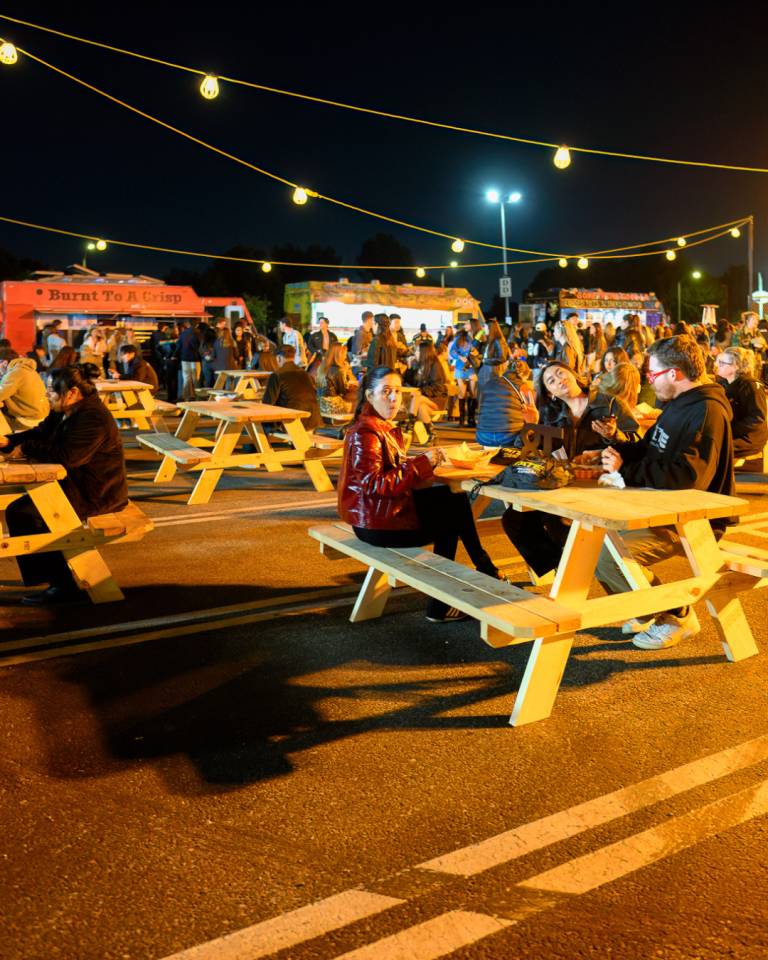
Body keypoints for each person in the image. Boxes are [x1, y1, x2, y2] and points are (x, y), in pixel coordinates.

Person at [596, 335, 736, 649]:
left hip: (693, 518)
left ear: (674, 374)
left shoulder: (707, 410)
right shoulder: (679, 404)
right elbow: (650, 449)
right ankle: (646, 609)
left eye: (652, 375)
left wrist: (624, 472)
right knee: (597, 542)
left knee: (609, 556)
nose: (650, 382)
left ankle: (676, 616)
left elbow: (689, 476)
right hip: (665, 508)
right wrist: (617, 446)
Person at [337, 365, 504, 623]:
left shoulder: (377, 425)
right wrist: (422, 464)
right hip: (375, 523)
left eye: (398, 391)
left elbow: (391, 469)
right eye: (386, 392)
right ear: (369, 396)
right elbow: (374, 485)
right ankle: (446, 600)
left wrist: (423, 462)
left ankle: (484, 569)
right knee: (450, 521)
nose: (394, 397)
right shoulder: (365, 432)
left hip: (377, 515)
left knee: (453, 498)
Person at [0, 364, 128, 606]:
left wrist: (26, 447)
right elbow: (40, 432)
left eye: (51, 390)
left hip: (97, 492)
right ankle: (44, 576)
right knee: (19, 511)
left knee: (28, 515)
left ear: (72, 392)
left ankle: (62, 585)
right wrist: (8, 441)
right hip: (76, 484)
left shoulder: (93, 416)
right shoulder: (65, 409)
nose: (46, 394)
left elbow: (70, 456)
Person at [499, 361, 639, 582]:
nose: (558, 380)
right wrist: (533, 426)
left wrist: (614, 436)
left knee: (558, 519)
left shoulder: (611, 405)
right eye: (551, 381)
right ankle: (564, 567)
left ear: (573, 374)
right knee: (514, 518)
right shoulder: (551, 415)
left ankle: (579, 570)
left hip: (602, 486)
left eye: (560, 373)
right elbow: (526, 454)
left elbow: (638, 444)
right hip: (564, 486)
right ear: (550, 393)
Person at [716, 347, 768, 458]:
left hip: (749, 438)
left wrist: (729, 430)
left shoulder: (752, 386)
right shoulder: (722, 384)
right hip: (729, 432)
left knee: (714, 449)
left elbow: (757, 418)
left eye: (722, 363)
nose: (718, 365)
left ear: (737, 366)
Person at [476, 358, 537, 448]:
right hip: (508, 436)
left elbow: (480, 408)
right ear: (525, 375)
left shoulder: (489, 382)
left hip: (482, 436)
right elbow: (536, 409)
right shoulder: (524, 387)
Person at [262, 345, 323, 431]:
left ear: (278, 358)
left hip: (290, 423)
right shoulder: (305, 374)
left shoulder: (276, 375)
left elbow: (267, 404)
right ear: (294, 357)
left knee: (258, 426)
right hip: (312, 422)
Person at [404, 341, 448, 445]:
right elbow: (412, 383)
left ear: (425, 352)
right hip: (427, 398)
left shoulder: (435, 365)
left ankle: (409, 427)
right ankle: (432, 434)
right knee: (421, 407)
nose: (416, 353)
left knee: (417, 398)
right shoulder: (421, 365)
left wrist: (421, 391)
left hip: (438, 398)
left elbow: (439, 388)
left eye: (418, 351)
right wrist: (409, 367)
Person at [0, 348, 50, 429]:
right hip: (41, 416)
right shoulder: (26, 369)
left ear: (5, 362)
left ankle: (8, 440)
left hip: (29, 421)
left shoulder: (15, 372)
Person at [317, 342, 358, 415]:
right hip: (331, 405)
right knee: (355, 401)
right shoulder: (337, 369)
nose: (345, 357)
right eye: (345, 354)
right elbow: (343, 391)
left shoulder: (322, 367)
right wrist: (345, 371)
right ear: (339, 355)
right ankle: (350, 425)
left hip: (321, 404)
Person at [477, 319, 512, 389]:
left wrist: (486, 360)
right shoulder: (490, 340)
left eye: (485, 326)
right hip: (486, 369)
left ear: (490, 328)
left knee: (489, 391)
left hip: (492, 371)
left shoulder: (499, 340)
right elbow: (488, 354)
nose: (483, 328)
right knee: (482, 391)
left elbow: (502, 358)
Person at [177, 320, 201, 400]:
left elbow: (179, 345)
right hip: (195, 358)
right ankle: (198, 397)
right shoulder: (198, 333)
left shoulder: (183, 334)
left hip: (184, 358)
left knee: (186, 378)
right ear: (197, 325)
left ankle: (186, 397)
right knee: (196, 378)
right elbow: (200, 347)